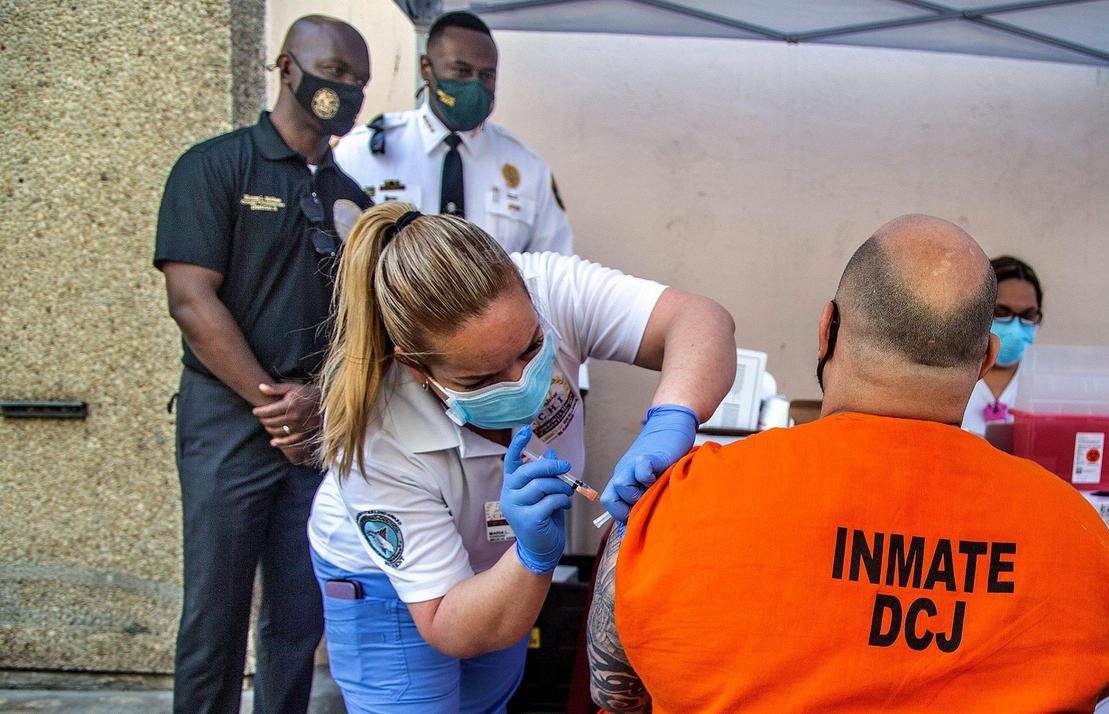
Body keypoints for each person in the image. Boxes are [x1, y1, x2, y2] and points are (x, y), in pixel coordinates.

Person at [587, 215, 1109, 713]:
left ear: (827, 329)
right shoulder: (1077, 536)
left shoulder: (680, 502)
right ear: (987, 356)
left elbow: (614, 694)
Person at [306, 201, 735, 712]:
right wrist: (531, 556)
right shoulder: (377, 436)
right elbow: (449, 624)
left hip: (500, 569)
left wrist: (672, 417)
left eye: (531, 348)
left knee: (489, 700)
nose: (520, 384)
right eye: (480, 380)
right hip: (393, 587)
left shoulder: (549, 287)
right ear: (417, 369)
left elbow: (699, 319)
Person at [153, 16, 372, 713]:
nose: (346, 89)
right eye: (334, 71)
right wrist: (273, 399)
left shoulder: (353, 200)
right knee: (213, 613)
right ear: (286, 67)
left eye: (358, 80)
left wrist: (318, 401)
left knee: (297, 620)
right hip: (228, 421)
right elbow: (191, 301)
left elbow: (365, 324)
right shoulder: (215, 166)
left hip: (315, 431)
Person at [333, 11, 572, 255]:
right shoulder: (361, 154)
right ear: (426, 68)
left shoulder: (527, 168)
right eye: (461, 71)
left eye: (486, 75)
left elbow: (555, 268)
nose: (475, 85)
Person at [962, 255, 1043, 436]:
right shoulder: (952, 379)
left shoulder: (1045, 387)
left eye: (1028, 315)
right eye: (1001, 312)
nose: (1015, 327)